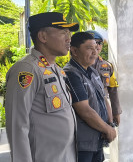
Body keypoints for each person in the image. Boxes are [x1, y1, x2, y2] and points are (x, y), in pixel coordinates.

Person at [5, 12, 78, 162]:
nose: (69, 38)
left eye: (69, 33)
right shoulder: (26, 69)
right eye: (63, 32)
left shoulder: (56, 69)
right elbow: (17, 126)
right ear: (43, 37)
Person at [64, 32, 116, 162]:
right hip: (83, 143)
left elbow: (103, 97)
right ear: (74, 51)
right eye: (89, 48)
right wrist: (107, 129)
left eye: (96, 47)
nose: (95, 52)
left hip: (98, 138)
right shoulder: (71, 74)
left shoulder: (92, 71)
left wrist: (109, 123)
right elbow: (84, 110)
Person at [86, 30, 122, 125]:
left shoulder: (107, 66)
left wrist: (116, 112)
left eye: (99, 43)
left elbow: (113, 91)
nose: (97, 45)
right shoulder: (79, 65)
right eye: (93, 42)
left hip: (104, 108)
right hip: (86, 108)